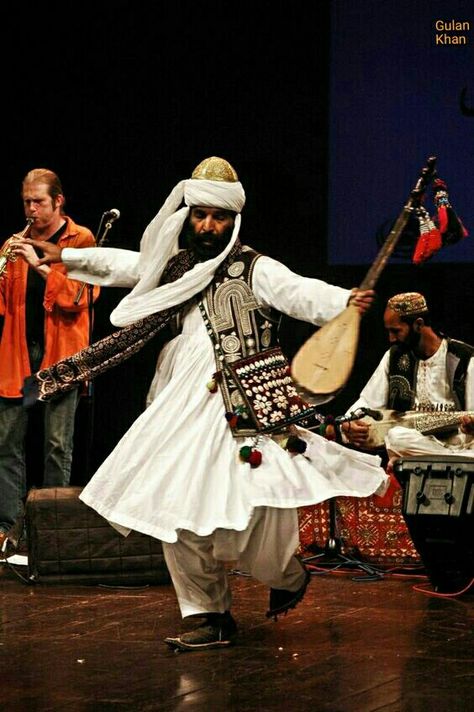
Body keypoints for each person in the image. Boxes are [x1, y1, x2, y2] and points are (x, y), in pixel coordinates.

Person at [22, 156, 388, 651]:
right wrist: (65, 258)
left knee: (253, 507)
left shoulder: (254, 268)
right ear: (187, 217)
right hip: (178, 404)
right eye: (200, 215)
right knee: (174, 506)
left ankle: (284, 573)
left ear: (233, 220)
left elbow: (298, 292)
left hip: (244, 405)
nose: (208, 225)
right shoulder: (174, 268)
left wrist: (344, 300)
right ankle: (208, 614)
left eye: (219, 217)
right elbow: (127, 264)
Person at [0, 168, 99, 555]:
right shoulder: (13, 243)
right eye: (26, 201)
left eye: (38, 201)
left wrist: (39, 264)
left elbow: (80, 298)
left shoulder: (82, 240)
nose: (31, 209)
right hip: (18, 356)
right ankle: (9, 529)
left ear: (58, 201)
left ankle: (52, 531)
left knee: (57, 444)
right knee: (8, 443)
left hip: (62, 357)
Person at [341, 292, 474, 458]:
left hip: (462, 447)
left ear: (418, 324)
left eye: (396, 331)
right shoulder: (395, 356)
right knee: (396, 437)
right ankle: (448, 459)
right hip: (416, 444)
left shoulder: (463, 357)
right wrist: (347, 424)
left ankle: (453, 459)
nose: (391, 338)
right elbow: (368, 402)